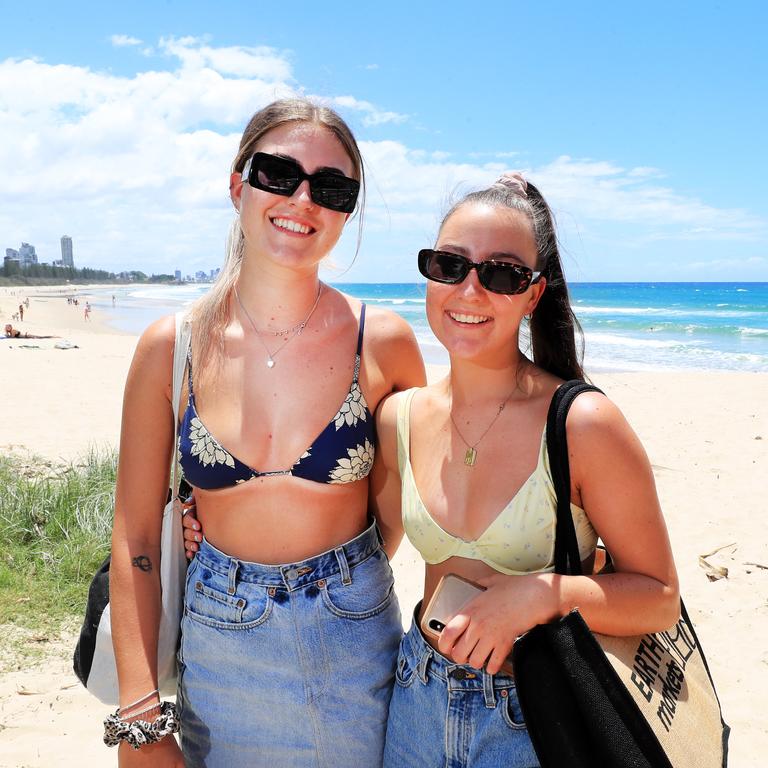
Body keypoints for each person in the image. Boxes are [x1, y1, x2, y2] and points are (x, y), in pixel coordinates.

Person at [109, 98, 425, 768]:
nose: (302, 200)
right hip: (221, 652)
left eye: (332, 188)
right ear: (237, 185)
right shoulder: (172, 348)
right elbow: (135, 533)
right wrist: (139, 716)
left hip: (357, 642)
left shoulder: (386, 344)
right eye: (279, 173)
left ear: (346, 212)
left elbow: (404, 510)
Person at [367, 173, 680, 767]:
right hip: (416, 697)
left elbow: (659, 597)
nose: (469, 290)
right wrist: (217, 527)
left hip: (536, 716)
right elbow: (367, 548)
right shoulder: (398, 420)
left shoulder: (583, 423)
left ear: (533, 295)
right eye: (449, 265)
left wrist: (540, 596)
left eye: (502, 274)